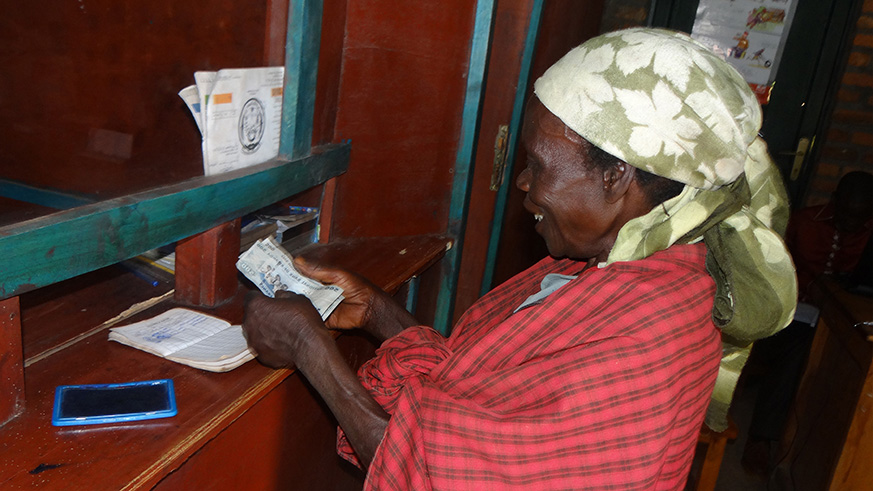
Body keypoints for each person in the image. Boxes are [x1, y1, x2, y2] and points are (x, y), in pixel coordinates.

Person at [242, 28, 797, 490]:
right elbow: (478, 398)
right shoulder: (605, 263)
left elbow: (439, 475)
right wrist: (374, 309)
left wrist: (310, 350)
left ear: (616, 176)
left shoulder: (657, 324)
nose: (525, 185)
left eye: (540, 164)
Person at [741, 171, 873, 476]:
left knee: (847, 357)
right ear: (835, 201)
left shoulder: (869, 236)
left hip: (832, 321)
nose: (850, 224)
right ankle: (762, 438)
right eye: (847, 215)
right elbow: (770, 273)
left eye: (860, 218)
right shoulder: (804, 222)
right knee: (798, 350)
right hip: (789, 317)